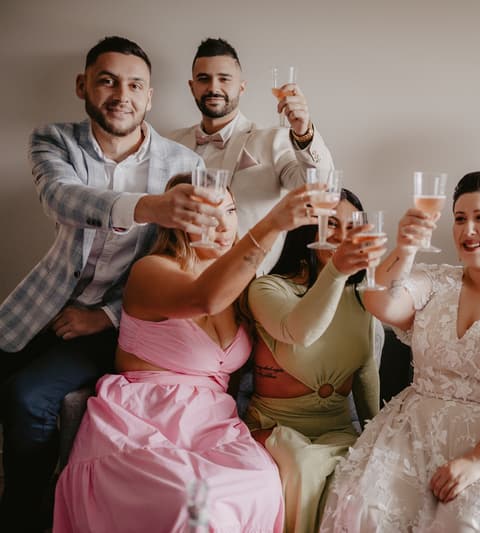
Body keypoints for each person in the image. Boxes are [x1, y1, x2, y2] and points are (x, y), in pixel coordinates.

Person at [0, 36, 219, 530]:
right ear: (84, 86)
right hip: (37, 304)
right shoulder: (53, 140)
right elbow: (62, 198)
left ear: (150, 97)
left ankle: (21, 513)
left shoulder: (187, 165)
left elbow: (181, 258)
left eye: (135, 84)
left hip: (121, 322)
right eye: (108, 80)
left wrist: (104, 316)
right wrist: (149, 206)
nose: (122, 94)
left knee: (28, 399)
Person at [53, 175, 325, 532]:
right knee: (194, 502)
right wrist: (274, 222)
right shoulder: (152, 270)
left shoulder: (243, 283)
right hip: (142, 420)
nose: (224, 224)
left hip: (213, 425)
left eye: (229, 210)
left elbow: (293, 329)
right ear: (178, 221)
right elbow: (204, 297)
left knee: (263, 480)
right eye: (208, 213)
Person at [321, 171, 480, 532]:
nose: (467, 230)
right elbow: (379, 301)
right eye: (460, 219)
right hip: (415, 431)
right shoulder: (435, 281)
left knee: (469, 523)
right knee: (366, 511)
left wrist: (476, 461)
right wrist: (406, 247)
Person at [244, 188, 385, 533]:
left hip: (337, 432)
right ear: (308, 229)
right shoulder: (268, 289)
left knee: (370, 475)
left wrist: (377, 437)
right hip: (276, 429)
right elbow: (300, 332)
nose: (342, 236)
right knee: (304, 465)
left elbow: (367, 379)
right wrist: (336, 272)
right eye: (331, 224)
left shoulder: (365, 302)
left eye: (352, 228)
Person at [170, 37, 335, 273]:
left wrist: (303, 131)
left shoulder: (272, 140)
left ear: (242, 86)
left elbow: (320, 186)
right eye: (203, 79)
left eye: (224, 79)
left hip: (246, 280)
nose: (213, 88)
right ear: (192, 86)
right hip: (178, 277)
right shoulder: (171, 142)